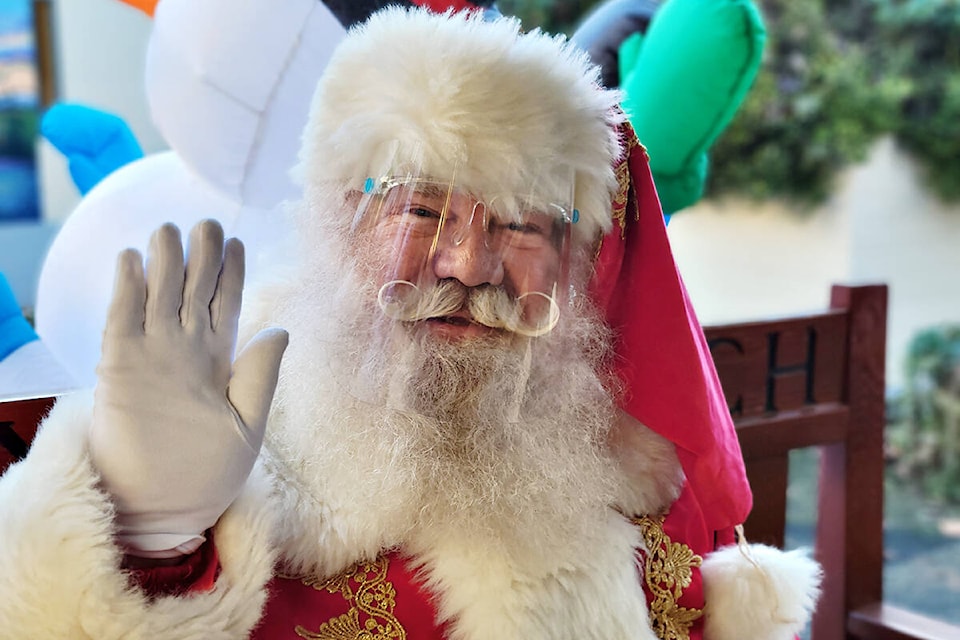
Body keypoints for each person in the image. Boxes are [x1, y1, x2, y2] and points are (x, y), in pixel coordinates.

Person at [0, 7, 820, 639]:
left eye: (522, 225)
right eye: (422, 209)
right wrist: (149, 537)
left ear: (577, 261)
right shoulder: (212, 418)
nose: (468, 263)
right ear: (338, 221)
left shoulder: (626, 462)